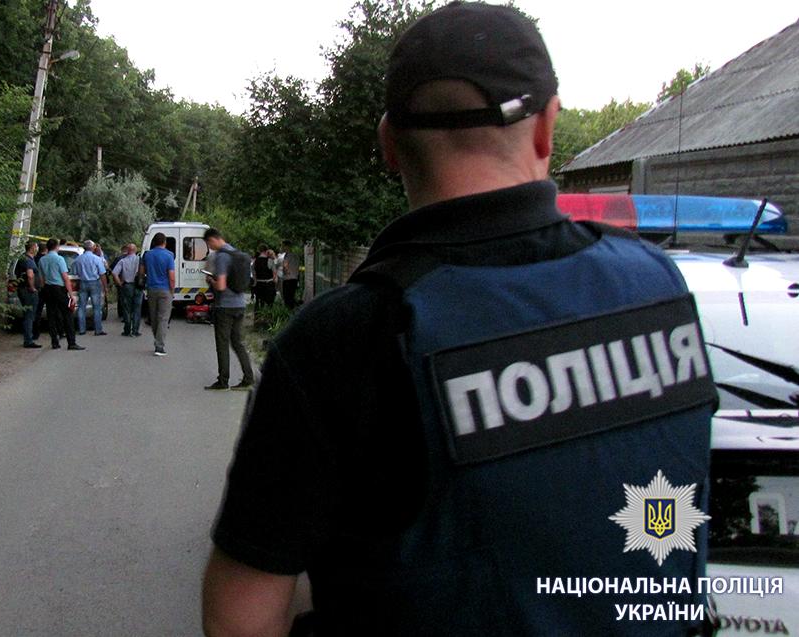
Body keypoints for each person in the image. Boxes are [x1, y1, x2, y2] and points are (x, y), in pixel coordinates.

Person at [202, 4, 716, 636]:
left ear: (389, 145)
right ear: (546, 129)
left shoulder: (341, 341)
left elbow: (240, 618)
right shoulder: (656, 281)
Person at [202, 228, 253, 391]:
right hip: (240, 304)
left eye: (209, 243)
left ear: (213, 239)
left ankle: (223, 381)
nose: (210, 247)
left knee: (222, 344)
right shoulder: (236, 253)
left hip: (225, 306)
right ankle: (248, 378)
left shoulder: (221, 257)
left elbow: (221, 285)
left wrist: (211, 280)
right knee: (238, 342)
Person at [38, 238, 84, 351]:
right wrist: (71, 294)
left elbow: (41, 278)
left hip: (48, 288)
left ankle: (54, 342)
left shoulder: (42, 260)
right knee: (67, 314)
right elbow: (65, 277)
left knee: (51, 315)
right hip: (59, 288)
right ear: (57, 247)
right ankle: (71, 342)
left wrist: (44, 288)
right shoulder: (59, 259)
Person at [140, 232, 175, 356]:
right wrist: (173, 290)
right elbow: (171, 276)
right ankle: (159, 346)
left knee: (154, 317)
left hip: (151, 289)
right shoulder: (169, 255)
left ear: (154, 242)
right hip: (165, 289)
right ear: (164, 242)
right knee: (164, 318)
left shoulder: (147, 255)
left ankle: (157, 339)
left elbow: (141, 272)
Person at [72, 240, 108, 336]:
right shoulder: (97, 259)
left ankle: (82, 330)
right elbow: (102, 274)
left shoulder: (78, 259)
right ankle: (98, 330)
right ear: (93, 248)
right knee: (97, 307)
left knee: (81, 307)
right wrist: (105, 287)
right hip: (94, 283)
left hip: (82, 283)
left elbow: (74, 273)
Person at [13, 241, 43, 349]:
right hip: (28, 291)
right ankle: (28, 340)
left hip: (23, 289)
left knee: (28, 315)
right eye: (36, 247)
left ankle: (28, 338)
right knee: (29, 316)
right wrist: (32, 287)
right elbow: (30, 275)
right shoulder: (28, 260)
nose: (37, 249)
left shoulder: (24, 258)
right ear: (32, 248)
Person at [112, 243, 142, 337]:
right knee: (137, 309)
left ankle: (127, 329)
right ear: (135, 250)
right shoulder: (139, 260)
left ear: (128, 250)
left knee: (127, 309)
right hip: (138, 286)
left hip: (127, 286)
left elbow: (114, 273)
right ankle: (135, 331)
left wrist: (119, 283)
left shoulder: (122, 261)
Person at [280, 241, 300, 309]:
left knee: (287, 298)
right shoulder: (296, 255)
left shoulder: (287, 255)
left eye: (282, 246)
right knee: (292, 297)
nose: (281, 247)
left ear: (286, 246)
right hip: (294, 278)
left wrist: (286, 272)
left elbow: (285, 266)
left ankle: (288, 314)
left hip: (288, 279)